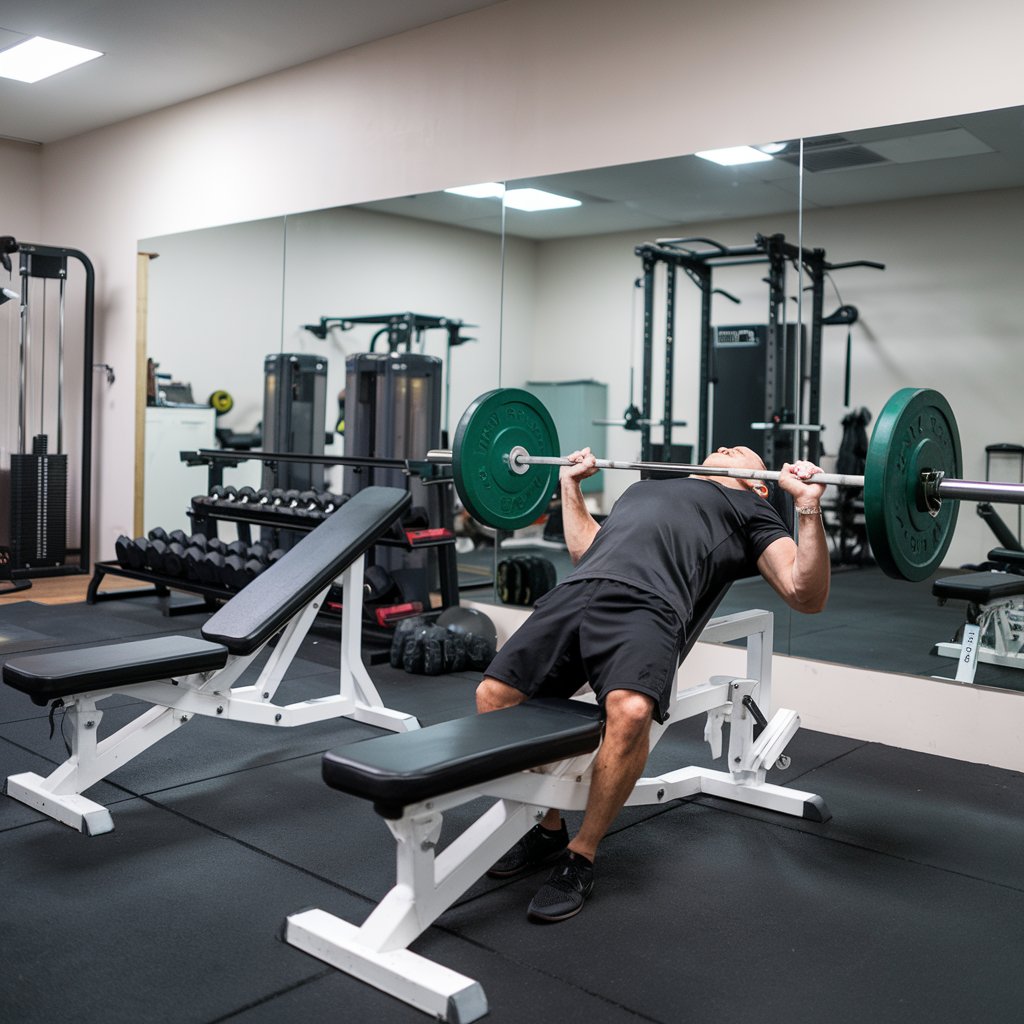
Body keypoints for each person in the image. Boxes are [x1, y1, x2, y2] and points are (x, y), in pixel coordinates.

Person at [476, 444, 830, 923]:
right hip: (577, 591)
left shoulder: (752, 510)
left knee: (631, 710)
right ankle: (548, 827)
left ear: (761, 483)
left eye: (739, 450)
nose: (724, 446)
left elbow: (805, 594)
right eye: (723, 445)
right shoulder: (644, 489)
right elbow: (585, 550)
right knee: (494, 697)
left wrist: (807, 507)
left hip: (649, 605)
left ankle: (580, 856)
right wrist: (569, 486)